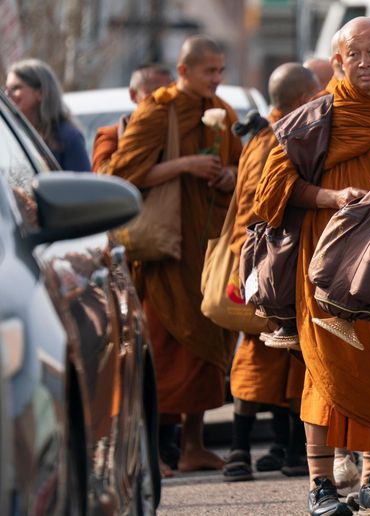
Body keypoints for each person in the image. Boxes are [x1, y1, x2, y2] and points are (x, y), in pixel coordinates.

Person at [252, 17, 370, 516]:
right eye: (353, 55)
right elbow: (271, 190)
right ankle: (321, 486)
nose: (363, 63)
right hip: (322, 262)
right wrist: (330, 195)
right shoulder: (313, 119)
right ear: (338, 61)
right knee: (324, 368)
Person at [106, 35, 241, 475]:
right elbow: (123, 173)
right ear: (184, 71)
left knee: (208, 349)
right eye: (209, 72)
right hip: (166, 253)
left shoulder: (221, 111)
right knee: (162, 349)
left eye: (221, 71)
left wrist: (227, 176)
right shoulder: (158, 109)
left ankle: (193, 446)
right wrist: (185, 165)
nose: (216, 80)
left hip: (209, 247)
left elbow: (247, 165)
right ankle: (148, 451)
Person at [222, 63, 321, 483]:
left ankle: (249, 452)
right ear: (303, 100)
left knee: (261, 354)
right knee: (281, 353)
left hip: (248, 258)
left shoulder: (259, 137)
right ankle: (255, 451)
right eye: (316, 96)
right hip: (270, 260)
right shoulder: (286, 138)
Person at [5, 59, 91, 171]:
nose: (7, 94)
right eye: (6, 89)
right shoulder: (9, 134)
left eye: (16, 88)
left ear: (40, 92)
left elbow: (82, 186)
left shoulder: (68, 137)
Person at [92, 64, 173, 172]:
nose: (163, 101)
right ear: (133, 95)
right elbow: (103, 181)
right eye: (154, 94)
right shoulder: (111, 135)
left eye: (170, 93)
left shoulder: (181, 129)